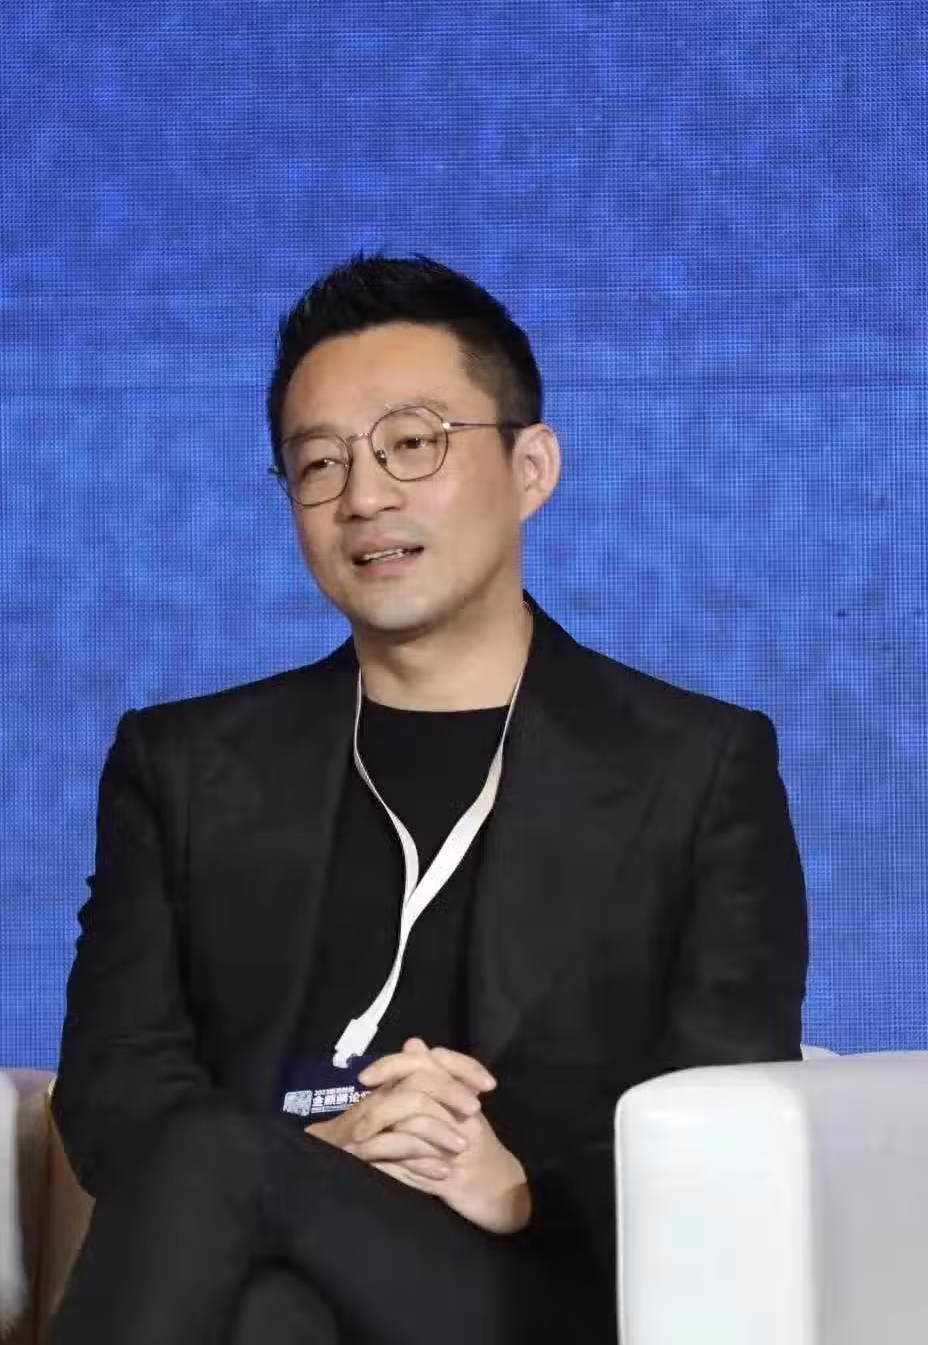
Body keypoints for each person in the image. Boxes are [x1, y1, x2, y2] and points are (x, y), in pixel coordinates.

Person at [49, 255, 809, 1345]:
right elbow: (113, 1081)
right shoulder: (183, 764)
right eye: (320, 463)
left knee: (228, 1190)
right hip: (252, 1252)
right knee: (265, 1306)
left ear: (531, 468)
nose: (364, 497)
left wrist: (516, 1186)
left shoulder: (696, 765)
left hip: (537, 1284)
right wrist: (308, 1162)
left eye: (413, 444)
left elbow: (724, 1103)